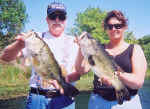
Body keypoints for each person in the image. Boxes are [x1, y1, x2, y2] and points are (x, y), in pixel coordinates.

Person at [0, 2, 87, 109]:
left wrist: (63, 81)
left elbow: (79, 73)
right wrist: (19, 44)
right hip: (37, 99)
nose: (57, 20)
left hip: (64, 99)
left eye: (61, 17)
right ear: (47, 19)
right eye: (53, 16)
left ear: (66, 20)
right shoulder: (36, 40)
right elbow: (5, 57)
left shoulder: (74, 42)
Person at [88, 10, 147, 109]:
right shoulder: (97, 49)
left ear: (125, 27)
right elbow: (83, 69)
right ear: (106, 29)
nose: (113, 29)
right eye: (110, 26)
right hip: (98, 103)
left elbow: (138, 82)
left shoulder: (135, 49)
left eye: (118, 26)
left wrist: (115, 75)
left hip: (128, 104)